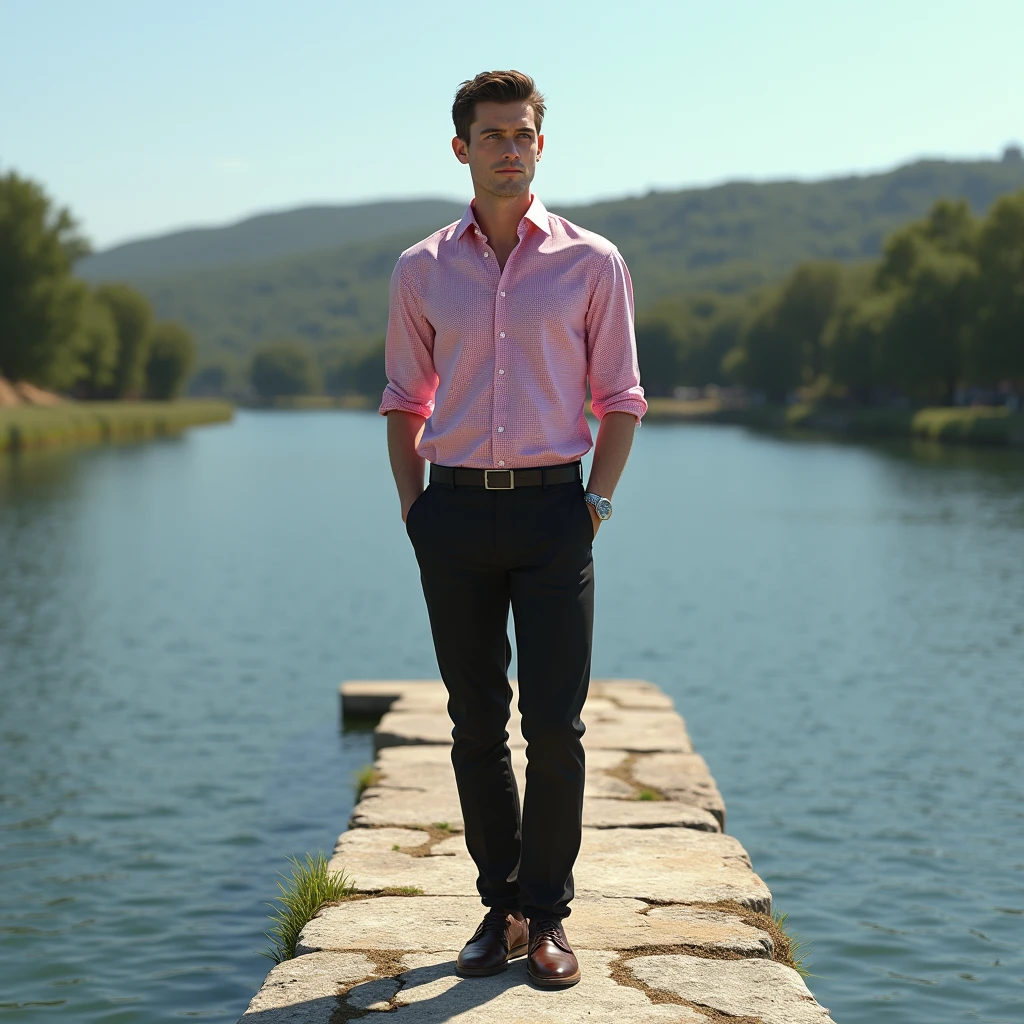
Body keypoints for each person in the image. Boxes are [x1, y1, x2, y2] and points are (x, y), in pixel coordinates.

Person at [380, 69, 646, 989]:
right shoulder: (420, 269)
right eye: (490, 134)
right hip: (450, 510)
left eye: (521, 134)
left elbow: (621, 400)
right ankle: (501, 908)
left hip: (553, 514)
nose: (507, 148)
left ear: (541, 145)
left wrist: (595, 506)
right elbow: (402, 401)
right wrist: (415, 510)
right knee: (473, 722)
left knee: (557, 726)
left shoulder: (592, 263)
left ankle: (551, 917)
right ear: (462, 148)